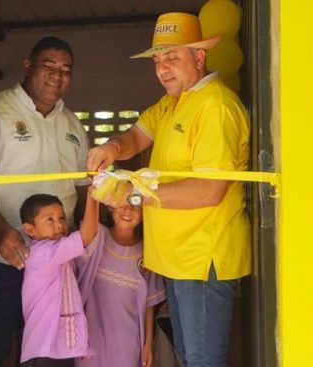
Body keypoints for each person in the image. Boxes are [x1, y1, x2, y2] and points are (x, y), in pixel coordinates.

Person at [86, 12, 251, 367]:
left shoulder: (215, 107)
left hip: (201, 258)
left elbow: (209, 192)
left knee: (204, 360)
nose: (162, 69)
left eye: (172, 58)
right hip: (176, 258)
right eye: (158, 61)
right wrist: (111, 149)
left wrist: (131, 194)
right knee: (190, 357)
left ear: (199, 56)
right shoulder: (174, 102)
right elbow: (135, 135)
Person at [0, 36, 90, 366]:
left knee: (47, 351)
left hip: (56, 265)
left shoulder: (72, 124)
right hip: (10, 258)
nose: (57, 75)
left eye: (65, 70)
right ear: (27, 66)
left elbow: (83, 188)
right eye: (48, 66)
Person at [74, 204, 166, 367]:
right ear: (110, 206)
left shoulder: (147, 252)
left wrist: (148, 344)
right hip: (90, 338)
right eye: (122, 203)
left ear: (145, 214)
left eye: (136, 206)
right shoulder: (97, 236)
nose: (128, 210)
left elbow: (149, 305)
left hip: (128, 341)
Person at [19, 190, 98, 367]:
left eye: (62, 218)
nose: (59, 225)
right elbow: (88, 235)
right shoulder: (44, 253)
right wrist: (93, 195)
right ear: (29, 229)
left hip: (54, 350)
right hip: (43, 351)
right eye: (50, 220)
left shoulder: (58, 254)